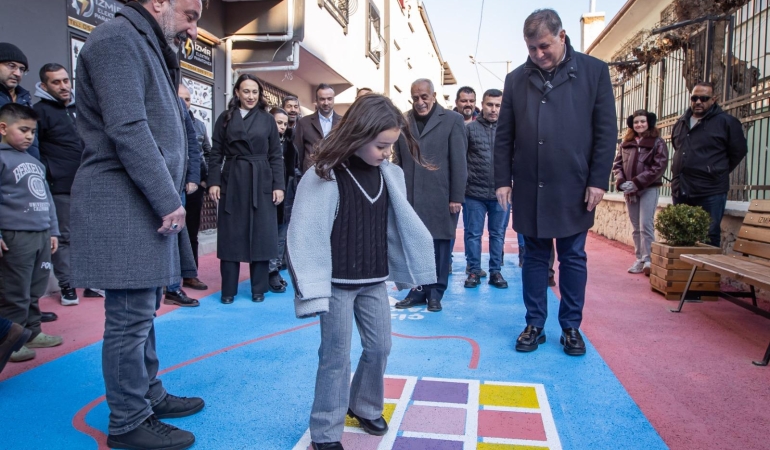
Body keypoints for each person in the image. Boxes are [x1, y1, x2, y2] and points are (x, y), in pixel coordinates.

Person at [70, 1, 204, 449]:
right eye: (190, 13)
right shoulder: (117, 39)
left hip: (138, 199)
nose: (194, 26)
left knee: (141, 314)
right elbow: (128, 127)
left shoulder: (142, 41)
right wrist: (169, 198)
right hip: (123, 200)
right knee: (129, 318)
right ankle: (128, 421)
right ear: (159, 3)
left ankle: (149, 394)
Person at [287, 94, 436, 450]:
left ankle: (363, 404)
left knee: (380, 346)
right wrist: (312, 288)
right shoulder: (325, 175)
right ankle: (325, 431)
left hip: (373, 281)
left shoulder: (390, 175)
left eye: (391, 146)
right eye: (382, 145)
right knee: (335, 356)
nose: (388, 152)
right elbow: (306, 233)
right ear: (358, 134)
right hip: (337, 284)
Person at [494, 9, 617, 356]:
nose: (538, 55)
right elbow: (505, 135)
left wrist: (598, 179)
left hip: (574, 185)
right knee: (533, 257)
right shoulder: (516, 79)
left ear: (562, 36)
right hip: (531, 185)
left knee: (573, 256)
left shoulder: (594, 71)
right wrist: (503, 179)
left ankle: (571, 327)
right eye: (531, 48)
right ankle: (535, 324)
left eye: (544, 46)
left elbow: (607, 132)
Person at [208, 74, 284, 304]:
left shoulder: (267, 120)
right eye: (246, 91)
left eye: (254, 92)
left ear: (259, 95)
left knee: (261, 234)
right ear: (237, 93)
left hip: (261, 179)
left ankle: (258, 289)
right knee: (231, 235)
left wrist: (278, 185)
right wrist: (214, 181)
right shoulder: (225, 118)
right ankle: (228, 290)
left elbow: (275, 155)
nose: (251, 96)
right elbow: (215, 153)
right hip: (234, 180)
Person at [393, 78, 468, 313]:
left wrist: (456, 196)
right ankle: (417, 291)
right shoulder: (403, 121)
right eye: (415, 97)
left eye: (424, 97)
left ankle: (436, 292)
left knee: (440, 245)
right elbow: (398, 160)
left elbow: (459, 161)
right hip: (411, 196)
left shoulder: (453, 120)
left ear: (433, 96)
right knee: (414, 245)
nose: (420, 102)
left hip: (441, 196)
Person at [0, 103, 62, 363]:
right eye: (23, 129)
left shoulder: (34, 162)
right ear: (3, 128)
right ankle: (11, 341)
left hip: (40, 234)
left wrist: (53, 230)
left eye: (33, 132)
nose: (29, 136)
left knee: (35, 287)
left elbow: (47, 198)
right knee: (15, 290)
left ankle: (32, 331)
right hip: (15, 235)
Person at [671, 82, 748, 248]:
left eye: (704, 98)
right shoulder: (681, 122)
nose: (698, 101)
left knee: (709, 234)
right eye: (694, 97)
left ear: (714, 99)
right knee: (681, 234)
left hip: (710, 190)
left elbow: (738, 151)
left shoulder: (726, 122)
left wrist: (715, 171)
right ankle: (683, 273)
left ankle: (705, 274)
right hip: (682, 188)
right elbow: (678, 148)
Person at [33, 63, 82, 306]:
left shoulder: (80, 108)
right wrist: (49, 175)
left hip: (87, 183)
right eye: (56, 82)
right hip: (60, 186)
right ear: (44, 85)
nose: (63, 86)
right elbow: (34, 149)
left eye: (65, 80)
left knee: (90, 234)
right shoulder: (39, 112)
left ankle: (92, 281)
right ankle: (67, 285)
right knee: (64, 238)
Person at [613, 110, 669, 275]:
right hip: (629, 191)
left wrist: (637, 182)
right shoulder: (626, 144)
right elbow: (617, 166)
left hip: (647, 189)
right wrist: (622, 182)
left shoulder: (657, 142)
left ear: (649, 122)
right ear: (632, 124)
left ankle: (649, 260)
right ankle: (639, 258)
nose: (639, 125)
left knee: (646, 224)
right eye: (636, 122)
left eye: (642, 121)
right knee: (636, 226)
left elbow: (659, 166)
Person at [464, 89, 508, 289]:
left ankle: (495, 272)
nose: (493, 109)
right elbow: (460, 159)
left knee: (497, 234)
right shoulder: (470, 129)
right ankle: (474, 271)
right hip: (474, 193)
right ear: (482, 104)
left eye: (498, 105)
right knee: (473, 233)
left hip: (501, 193)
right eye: (490, 104)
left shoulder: (509, 130)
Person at [163, 95, 202, 307]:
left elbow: (193, 147)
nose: (185, 101)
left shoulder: (178, 107)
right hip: (149, 179)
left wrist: (192, 177)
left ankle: (172, 287)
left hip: (177, 183)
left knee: (175, 234)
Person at [178, 83, 210, 291]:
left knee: (191, 232)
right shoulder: (165, 123)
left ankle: (190, 274)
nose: (184, 103)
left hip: (194, 187)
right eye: (180, 99)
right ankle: (166, 279)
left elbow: (207, 152)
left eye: (188, 99)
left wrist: (205, 179)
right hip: (172, 186)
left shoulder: (199, 126)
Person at [266, 107, 297, 293]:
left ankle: (274, 270)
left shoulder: (289, 142)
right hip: (266, 195)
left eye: (285, 123)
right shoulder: (263, 142)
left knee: (280, 236)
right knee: (268, 236)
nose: (283, 127)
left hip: (286, 194)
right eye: (279, 122)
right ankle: (267, 271)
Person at [0, 43, 40, 161]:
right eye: (11, 66)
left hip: (28, 170)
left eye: (22, 69)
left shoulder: (25, 99)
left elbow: (34, 142)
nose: (17, 73)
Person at [295, 84, 341, 173]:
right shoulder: (304, 122)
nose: (326, 103)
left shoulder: (343, 122)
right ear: (316, 100)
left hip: (336, 172)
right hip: (311, 172)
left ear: (333, 100)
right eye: (322, 99)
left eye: (329, 99)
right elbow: (298, 152)